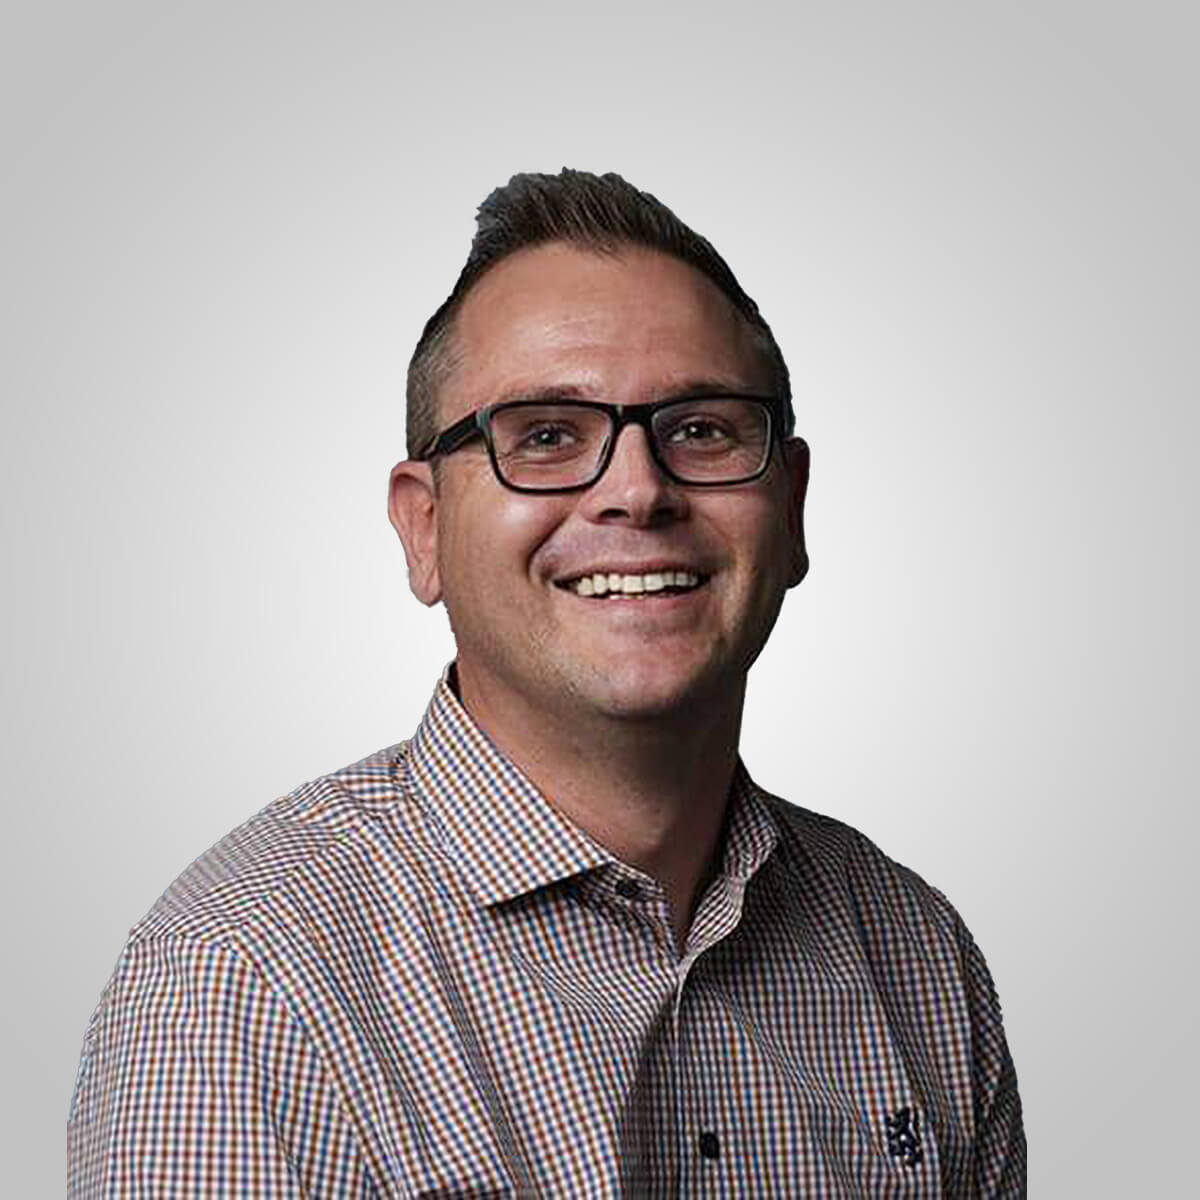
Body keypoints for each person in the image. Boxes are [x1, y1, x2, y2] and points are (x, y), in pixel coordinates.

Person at [67, 169, 1026, 1197]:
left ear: (790, 510)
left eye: (701, 429)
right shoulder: (238, 987)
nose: (637, 490)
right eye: (546, 436)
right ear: (424, 527)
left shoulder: (915, 952)